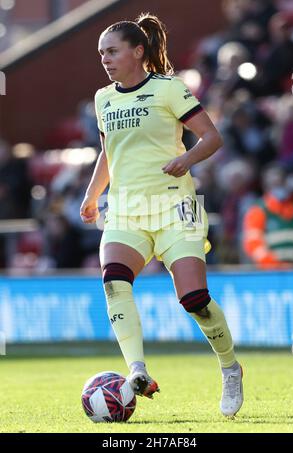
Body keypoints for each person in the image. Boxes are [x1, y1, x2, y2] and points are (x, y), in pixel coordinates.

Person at [80, 13, 243, 417]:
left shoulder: (169, 89)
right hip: (125, 210)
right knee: (114, 280)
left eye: (113, 51)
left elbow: (212, 136)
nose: (105, 59)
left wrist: (186, 159)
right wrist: (91, 194)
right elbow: (109, 153)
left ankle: (230, 367)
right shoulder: (104, 98)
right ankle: (136, 371)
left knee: (194, 300)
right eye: (101, 53)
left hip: (173, 207)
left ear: (138, 51)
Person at [243, 164, 293, 268]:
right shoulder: (259, 210)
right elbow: (253, 243)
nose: (278, 187)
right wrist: (274, 264)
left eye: (280, 183)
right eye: (273, 184)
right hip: (271, 272)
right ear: (265, 187)